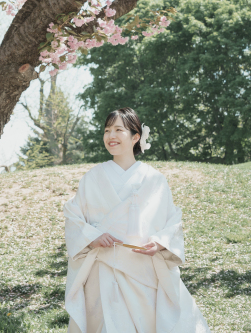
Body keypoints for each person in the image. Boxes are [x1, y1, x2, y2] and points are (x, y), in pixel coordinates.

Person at [63, 107, 211, 333]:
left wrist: (160, 242)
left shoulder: (155, 179)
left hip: (143, 269)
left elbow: (172, 220)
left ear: (135, 137)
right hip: (103, 271)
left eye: (118, 130)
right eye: (107, 130)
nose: (111, 136)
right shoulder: (92, 178)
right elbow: (73, 216)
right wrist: (93, 237)